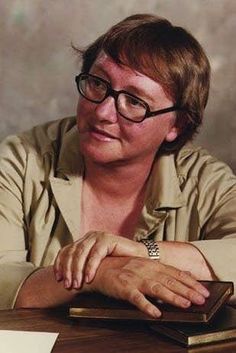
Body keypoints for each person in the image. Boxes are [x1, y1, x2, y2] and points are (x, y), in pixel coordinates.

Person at [0, 14, 235, 316]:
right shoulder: (20, 159)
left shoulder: (205, 179)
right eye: (98, 83)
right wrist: (99, 274)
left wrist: (145, 255)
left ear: (177, 124)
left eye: (135, 101)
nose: (103, 112)